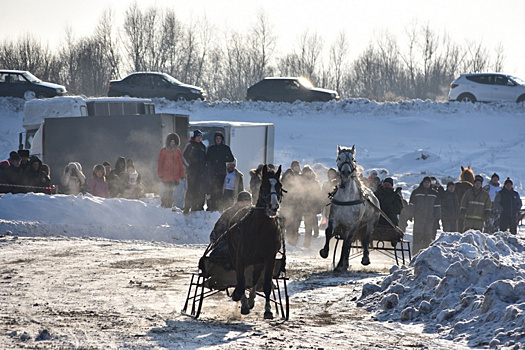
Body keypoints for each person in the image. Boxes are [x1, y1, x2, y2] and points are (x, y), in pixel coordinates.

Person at [207, 191, 253, 269]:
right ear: (238, 202)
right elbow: (217, 232)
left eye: (247, 202)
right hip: (230, 244)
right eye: (242, 201)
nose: (245, 204)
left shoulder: (254, 213)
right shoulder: (229, 213)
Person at [407, 176, 441, 255]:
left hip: (429, 220)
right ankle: (415, 254)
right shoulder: (416, 192)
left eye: (428, 182)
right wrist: (410, 215)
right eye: (425, 182)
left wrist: (437, 218)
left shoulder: (434, 193)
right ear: (423, 183)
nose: (426, 184)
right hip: (418, 219)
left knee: (427, 238)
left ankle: (425, 255)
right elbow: (412, 205)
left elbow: (437, 207)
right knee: (417, 237)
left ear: (430, 184)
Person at [205, 131, 234, 211]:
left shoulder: (225, 148)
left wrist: (222, 159)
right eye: (217, 138)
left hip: (221, 172)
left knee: (220, 190)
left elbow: (231, 158)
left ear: (222, 139)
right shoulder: (211, 148)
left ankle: (219, 207)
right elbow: (207, 158)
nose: (218, 140)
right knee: (212, 190)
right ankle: (211, 206)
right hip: (212, 172)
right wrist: (212, 160)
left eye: (219, 138)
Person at [157, 133, 186, 208]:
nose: (172, 143)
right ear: (168, 142)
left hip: (175, 176)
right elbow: (160, 163)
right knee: (166, 191)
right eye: (171, 141)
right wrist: (160, 174)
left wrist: (182, 175)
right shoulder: (163, 151)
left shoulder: (178, 151)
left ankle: (169, 206)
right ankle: (164, 205)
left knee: (171, 192)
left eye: (174, 142)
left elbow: (180, 164)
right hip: (166, 176)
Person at [182, 129, 207, 213]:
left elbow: (205, 158)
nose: (199, 138)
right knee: (190, 189)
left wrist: (203, 167)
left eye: (200, 137)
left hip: (200, 172)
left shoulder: (202, 146)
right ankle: (187, 206)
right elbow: (183, 156)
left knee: (197, 189)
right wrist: (189, 165)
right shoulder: (190, 145)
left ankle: (194, 206)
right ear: (194, 137)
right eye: (198, 137)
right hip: (192, 171)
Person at [300, 165, 323, 248]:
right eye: (306, 172)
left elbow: (319, 194)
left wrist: (319, 203)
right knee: (308, 226)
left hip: (314, 205)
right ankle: (307, 243)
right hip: (306, 206)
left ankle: (315, 237)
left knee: (315, 225)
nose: (308, 174)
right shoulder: (302, 182)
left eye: (309, 172)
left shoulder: (315, 183)